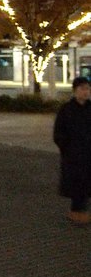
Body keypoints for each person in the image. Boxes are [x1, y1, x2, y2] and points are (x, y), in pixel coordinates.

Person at [53, 75, 91, 224]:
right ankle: (76, 212)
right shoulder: (66, 110)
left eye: (87, 89)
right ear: (75, 90)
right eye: (82, 89)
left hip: (88, 154)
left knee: (87, 183)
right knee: (76, 183)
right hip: (73, 155)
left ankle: (82, 211)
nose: (86, 92)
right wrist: (67, 148)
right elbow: (58, 132)